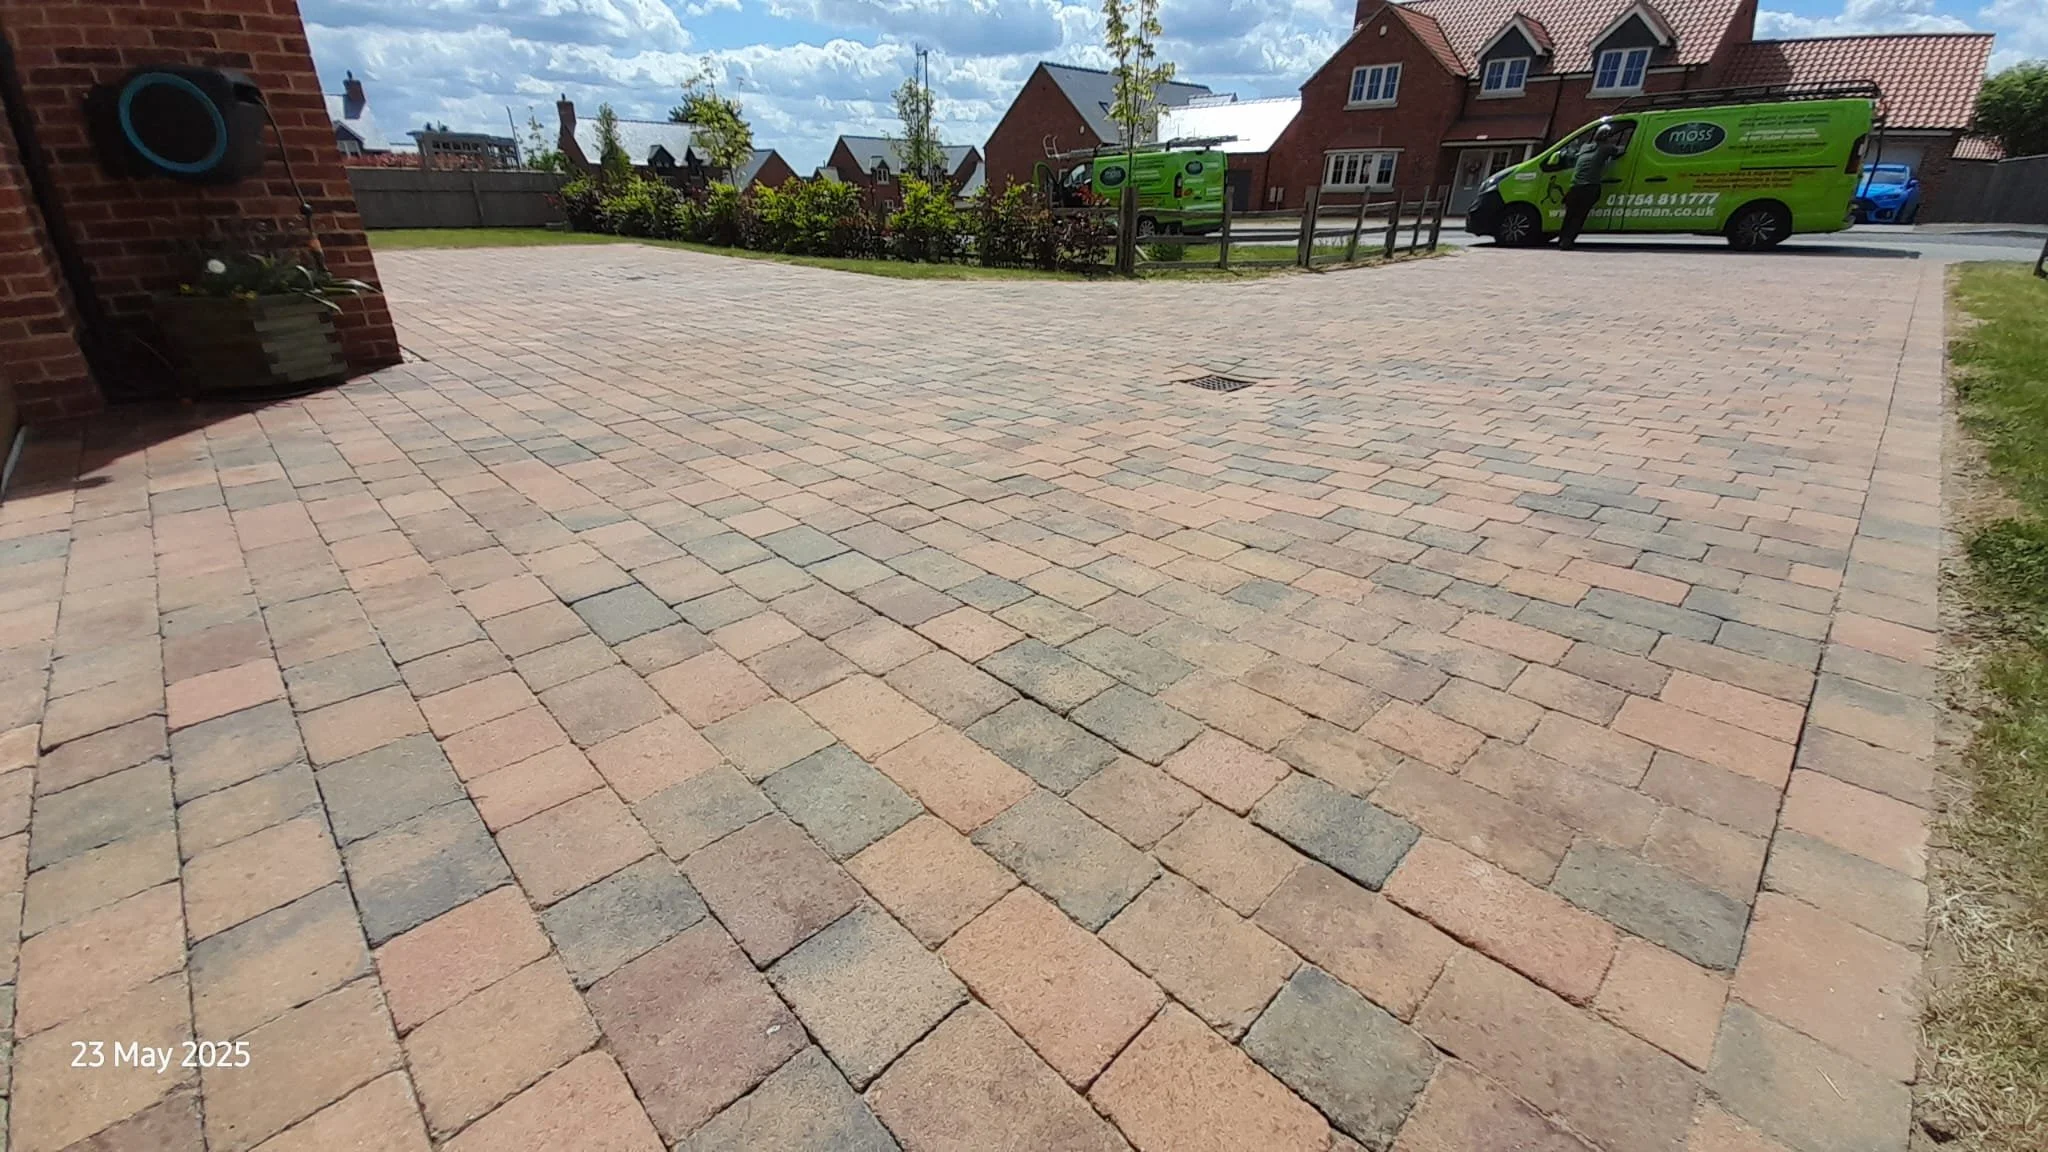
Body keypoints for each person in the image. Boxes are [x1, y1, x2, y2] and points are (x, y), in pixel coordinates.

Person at [1559, 123, 1622, 249]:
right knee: (1579, 216)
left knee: (1569, 215)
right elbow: (1620, 151)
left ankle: (1562, 239)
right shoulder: (1606, 148)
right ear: (1607, 137)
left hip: (1574, 187)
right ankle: (1568, 241)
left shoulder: (1584, 147)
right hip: (1590, 187)